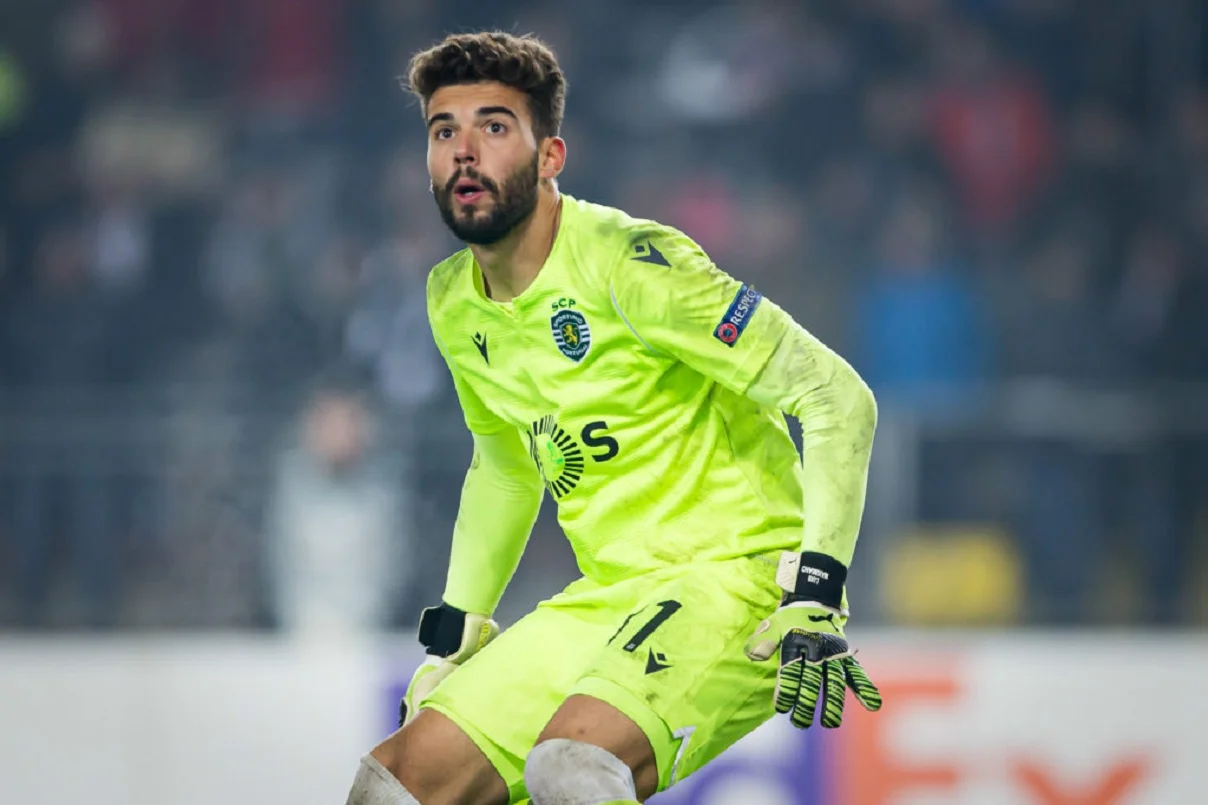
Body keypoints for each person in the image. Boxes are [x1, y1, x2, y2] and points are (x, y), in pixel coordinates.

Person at [346, 31, 882, 805]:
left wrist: (818, 589)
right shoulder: (451, 300)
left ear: (550, 156)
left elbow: (835, 395)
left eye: (494, 127)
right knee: (394, 784)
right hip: (611, 593)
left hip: (735, 581)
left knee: (570, 766)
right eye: (443, 130)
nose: (464, 150)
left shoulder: (631, 264)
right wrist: (456, 632)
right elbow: (505, 465)